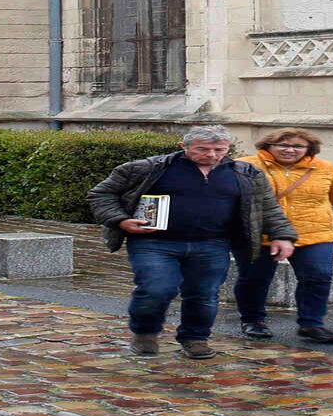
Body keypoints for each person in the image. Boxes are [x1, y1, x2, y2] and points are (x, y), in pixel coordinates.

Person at [85, 124, 298, 360]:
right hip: (154, 242)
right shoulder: (150, 168)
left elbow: (268, 207)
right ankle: (145, 333)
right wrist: (120, 220)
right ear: (183, 147)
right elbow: (102, 193)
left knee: (204, 294)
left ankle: (195, 338)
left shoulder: (245, 173)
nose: (212, 155)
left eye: (219, 149)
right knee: (156, 289)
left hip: (212, 244)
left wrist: (282, 235)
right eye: (202, 149)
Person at [235, 129, 333, 345]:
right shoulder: (246, 165)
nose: (290, 150)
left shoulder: (324, 168)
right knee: (254, 279)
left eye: (297, 146)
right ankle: (253, 320)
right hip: (261, 233)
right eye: (282, 145)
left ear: (309, 149)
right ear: (268, 146)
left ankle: (312, 323)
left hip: (314, 231)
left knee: (318, 276)